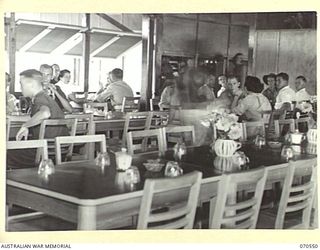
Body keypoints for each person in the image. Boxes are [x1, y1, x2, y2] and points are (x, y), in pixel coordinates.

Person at [7, 69, 69, 168]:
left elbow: (45, 113)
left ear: (31, 85)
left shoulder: (39, 98)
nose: (20, 88)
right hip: (58, 152)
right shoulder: (46, 97)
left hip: (43, 153)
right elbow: (35, 116)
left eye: (21, 84)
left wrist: (25, 125)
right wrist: (10, 117)